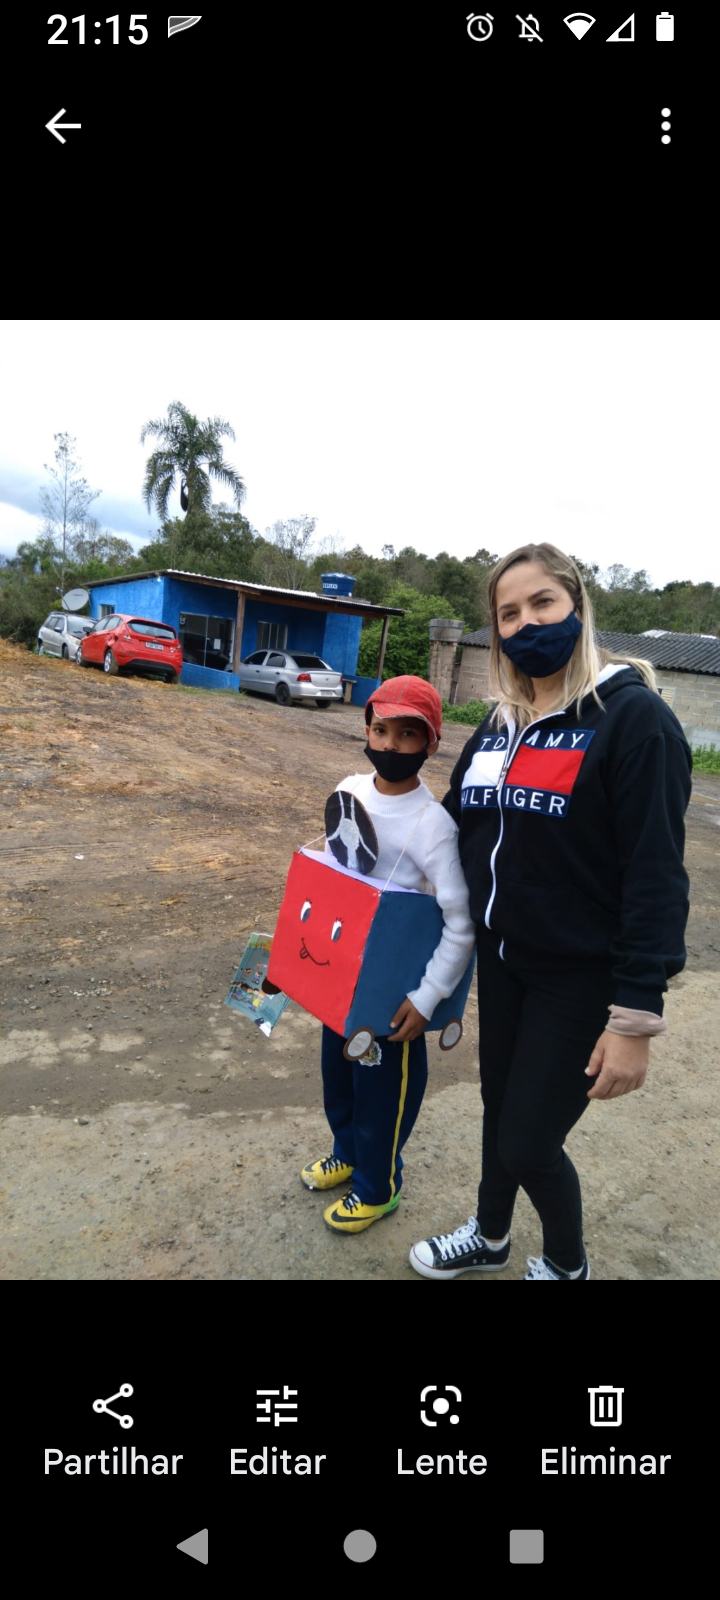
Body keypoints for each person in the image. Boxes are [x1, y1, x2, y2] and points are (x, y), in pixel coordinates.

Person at [409, 542, 692, 1282]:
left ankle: (567, 1265)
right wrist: (373, 843)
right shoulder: (500, 724)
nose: (526, 623)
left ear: (578, 607)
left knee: (529, 1141)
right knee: (498, 1107)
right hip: (503, 962)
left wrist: (634, 1018)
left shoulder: (634, 721)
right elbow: (455, 824)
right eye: (508, 613)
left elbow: (656, 875)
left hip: (580, 975)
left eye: (542, 603)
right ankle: (490, 1235)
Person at [301, 675, 475, 1234]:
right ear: (366, 730)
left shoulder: (434, 827)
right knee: (338, 1077)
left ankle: (379, 1187)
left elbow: (460, 924)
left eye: (407, 734)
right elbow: (331, 879)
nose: (390, 744)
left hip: (394, 997)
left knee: (382, 1094)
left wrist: (427, 998)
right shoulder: (349, 791)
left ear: (431, 743)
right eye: (380, 730)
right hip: (341, 981)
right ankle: (348, 1153)